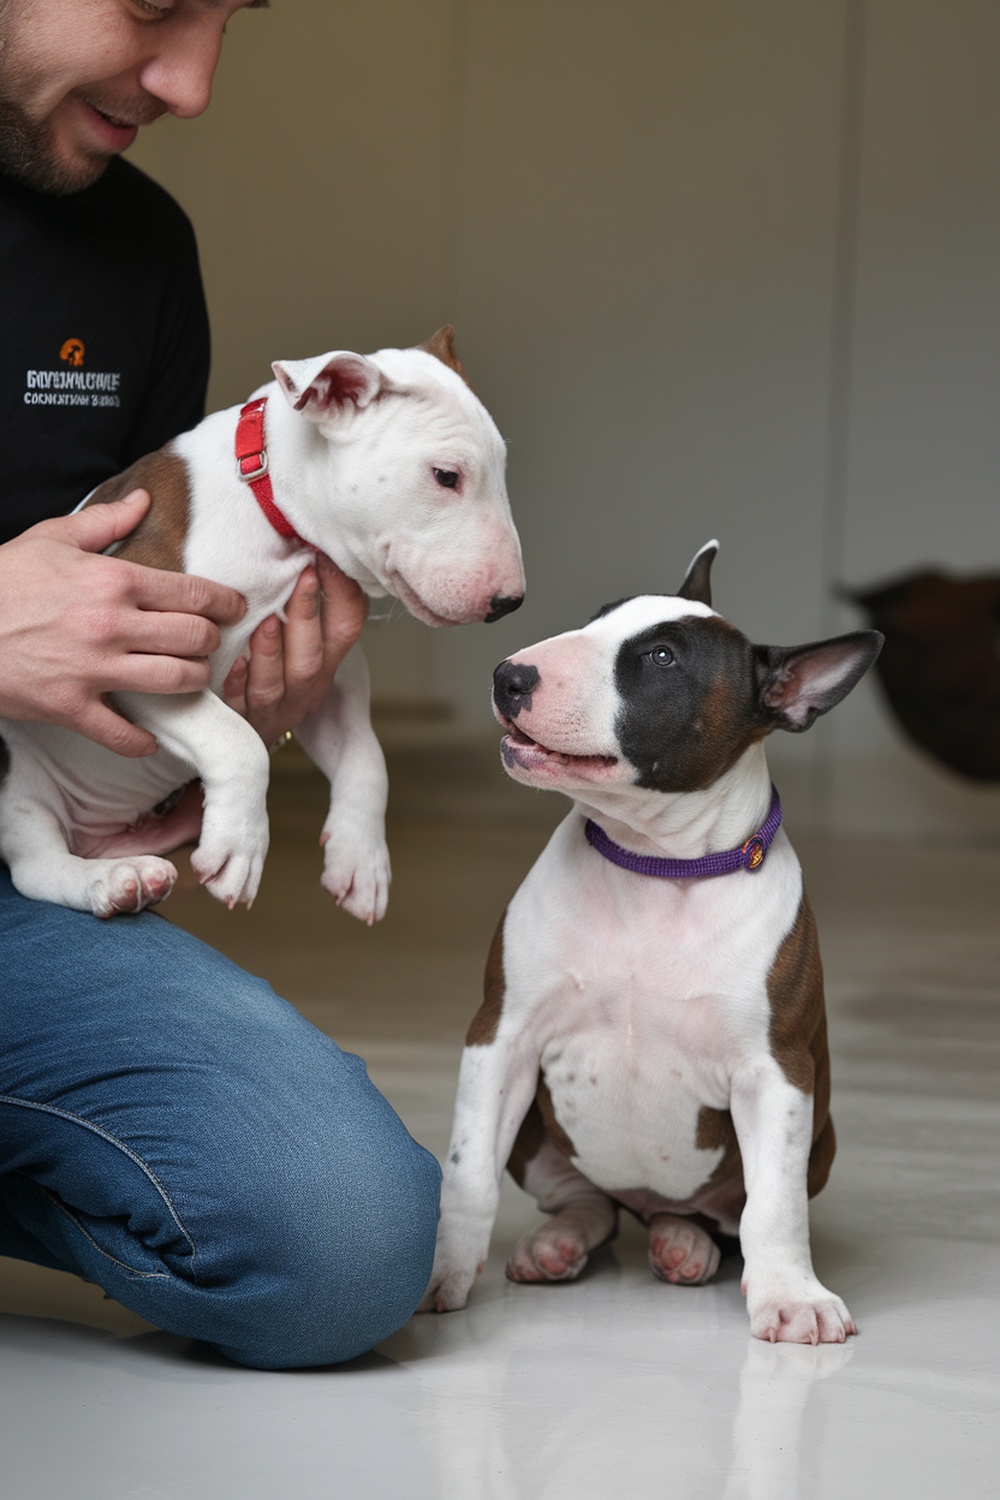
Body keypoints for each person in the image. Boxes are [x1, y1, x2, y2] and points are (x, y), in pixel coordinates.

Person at [0, 0, 441, 1369]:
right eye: (151, 4)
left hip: (19, 886)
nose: (191, 84)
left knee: (346, 1236)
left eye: (225, 23)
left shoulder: (138, 252)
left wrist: (209, 716)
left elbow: (142, 629)